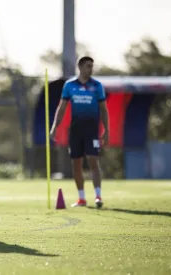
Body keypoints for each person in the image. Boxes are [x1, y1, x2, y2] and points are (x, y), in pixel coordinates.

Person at [50, 56, 109, 208]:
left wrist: (106, 130)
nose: (91, 69)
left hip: (92, 129)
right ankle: (81, 198)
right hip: (75, 130)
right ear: (81, 67)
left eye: (92, 66)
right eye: (88, 66)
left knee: (93, 160)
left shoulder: (97, 86)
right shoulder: (69, 85)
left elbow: (103, 109)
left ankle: (97, 196)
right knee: (76, 163)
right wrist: (55, 126)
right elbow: (62, 107)